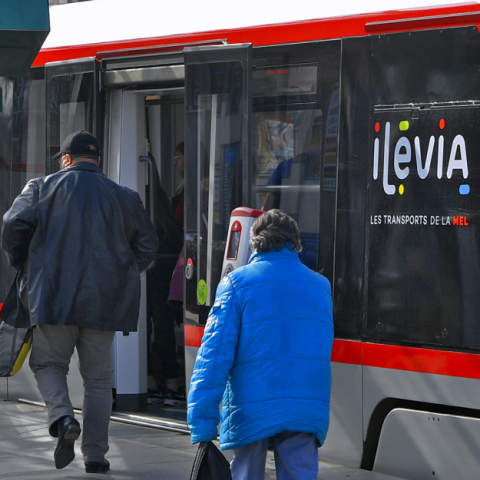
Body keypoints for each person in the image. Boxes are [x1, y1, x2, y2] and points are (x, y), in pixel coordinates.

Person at [1, 131, 159, 473]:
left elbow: (12, 225)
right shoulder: (124, 197)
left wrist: (26, 264)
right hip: (104, 303)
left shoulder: (40, 188)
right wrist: (120, 273)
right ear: (97, 160)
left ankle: (63, 419)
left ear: (66, 159)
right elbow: (147, 247)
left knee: (48, 365)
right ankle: (96, 455)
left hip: (52, 297)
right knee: (99, 379)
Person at [187, 209, 334, 480]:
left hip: (250, 407)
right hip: (304, 407)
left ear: (254, 241)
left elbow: (213, 357)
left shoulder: (235, 284)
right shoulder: (321, 286)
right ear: (296, 242)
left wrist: (203, 421)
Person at [171, 141, 184, 232]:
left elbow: (178, 216)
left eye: (178, 158)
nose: (175, 163)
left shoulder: (194, 186)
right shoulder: (185, 182)